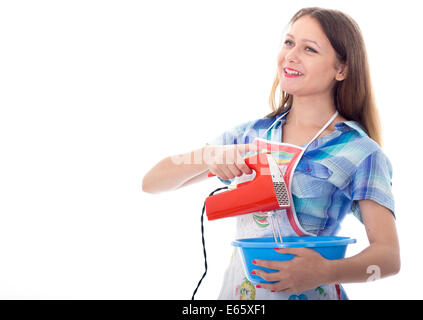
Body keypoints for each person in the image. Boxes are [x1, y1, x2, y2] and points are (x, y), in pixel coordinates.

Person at [142, 7, 400, 300]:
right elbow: (151, 182)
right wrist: (209, 156)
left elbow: (388, 257)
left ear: (341, 69)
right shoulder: (249, 137)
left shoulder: (360, 152)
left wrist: (326, 271)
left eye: (309, 49)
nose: (291, 55)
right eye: (289, 43)